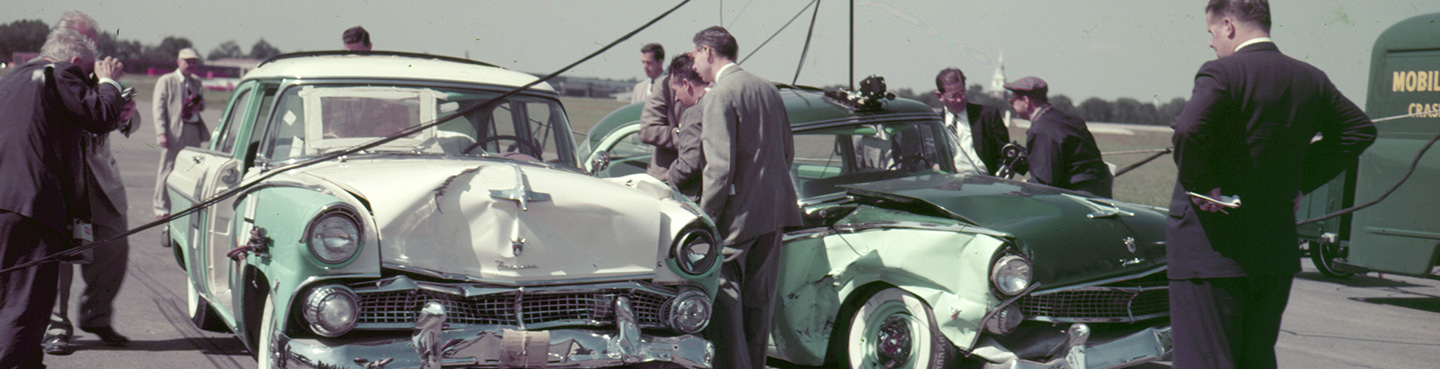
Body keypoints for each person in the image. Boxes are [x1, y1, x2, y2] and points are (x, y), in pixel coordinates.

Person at [1167, 1, 1376, 368]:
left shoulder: (1222, 73)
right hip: (1273, 248)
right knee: (1256, 359)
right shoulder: (1311, 78)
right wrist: (1299, 181)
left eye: (1212, 33)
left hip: (1212, 251)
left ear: (1229, 26)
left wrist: (1203, 186)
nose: (1212, 43)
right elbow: (1358, 130)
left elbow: (1187, 129)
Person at [0, 25, 128, 368]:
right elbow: (99, 116)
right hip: (30, 207)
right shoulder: (59, 71)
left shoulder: (12, 80)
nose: (84, 80)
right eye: (84, 72)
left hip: (5, 202)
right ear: (73, 61)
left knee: (7, 300)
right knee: (24, 303)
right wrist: (109, 83)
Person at [689, 26, 802, 369]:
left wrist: (704, 219)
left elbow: (719, 169)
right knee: (759, 304)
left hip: (737, 219)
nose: (693, 63)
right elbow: (787, 153)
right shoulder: (767, 89)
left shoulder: (720, 94)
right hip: (774, 213)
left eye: (694, 54)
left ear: (708, 51)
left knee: (725, 300)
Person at [41, 12, 139, 355]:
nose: (93, 48)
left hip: (99, 176)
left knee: (115, 246)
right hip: (64, 177)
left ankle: (96, 316)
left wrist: (125, 115)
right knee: (61, 257)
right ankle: (55, 326)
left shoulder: (98, 74)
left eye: (94, 40)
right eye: (86, 40)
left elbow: (129, 119)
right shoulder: (51, 72)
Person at [1005, 76, 1114, 197]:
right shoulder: (1069, 118)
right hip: (1100, 191)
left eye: (1012, 100)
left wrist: (1028, 186)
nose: (1011, 103)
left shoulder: (1042, 129)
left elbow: (1044, 183)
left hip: (1077, 198)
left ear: (1026, 101)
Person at [152, 48, 210, 219]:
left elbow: (203, 105)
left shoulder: (196, 82)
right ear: (179, 62)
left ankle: (184, 206)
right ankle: (161, 206)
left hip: (193, 129)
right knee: (168, 168)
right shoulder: (167, 81)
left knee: (191, 169)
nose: (191, 65)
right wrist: (161, 133)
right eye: (188, 61)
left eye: (194, 62)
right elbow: (158, 108)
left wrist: (198, 104)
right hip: (174, 131)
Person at [934, 67, 1009, 175]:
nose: (959, 99)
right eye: (953, 96)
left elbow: (1004, 154)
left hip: (984, 182)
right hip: (947, 184)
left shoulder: (988, 116)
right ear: (940, 96)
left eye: (962, 93)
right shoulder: (934, 123)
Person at [637, 45, 683, 181]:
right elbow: (646, 130)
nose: (645, 66)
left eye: (649, 62)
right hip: (660, 170)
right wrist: (686, 137)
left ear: (660, 61)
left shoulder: (670, 83)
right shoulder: (641, 88)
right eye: (643, 62)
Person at [663, 54, 706, 198]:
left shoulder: (694, 113)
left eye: (675, 91)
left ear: (686, 84)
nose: (676, 98)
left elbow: (689, 164)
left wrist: (671, 174)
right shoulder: (717, 103)